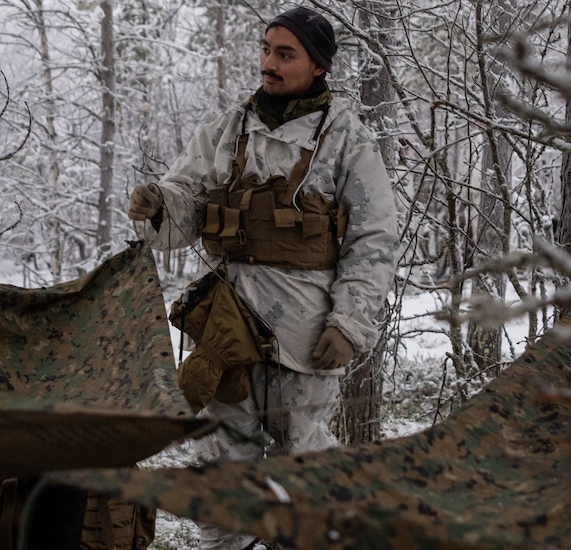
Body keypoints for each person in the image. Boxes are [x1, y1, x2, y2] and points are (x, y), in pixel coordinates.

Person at [129, 6, 398, 550]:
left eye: (285, 53)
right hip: (227, 327)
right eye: (266, 49)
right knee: (224, 471)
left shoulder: (346, 140)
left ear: (318, 66)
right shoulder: (228, 130)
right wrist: (159, 204)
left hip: (305, 333)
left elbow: (374, 238)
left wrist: (348, 323)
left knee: (303, 476)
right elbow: (185, 208)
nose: (268, 64)